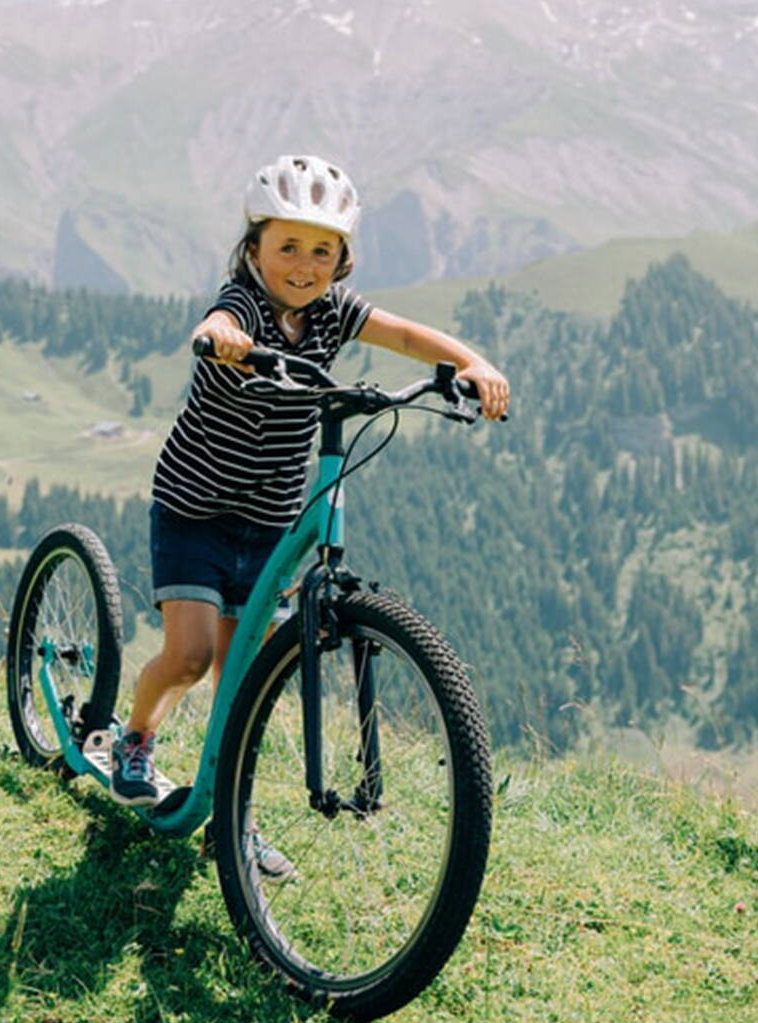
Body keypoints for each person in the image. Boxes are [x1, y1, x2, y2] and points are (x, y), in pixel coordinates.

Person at [111, 154, 511, 833]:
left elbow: (407, 335)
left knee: (241, 678)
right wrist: (223, 339)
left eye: (322, 250)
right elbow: (215, 321)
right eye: (287, 246)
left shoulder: (333, 312)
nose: (304, 264)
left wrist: (472, 362)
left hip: (269, 519)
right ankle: (136, 738)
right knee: (191, 655)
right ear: (254, 249)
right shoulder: (243, 303)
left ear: (343, 258)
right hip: (196, 511)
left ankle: (230, 814)